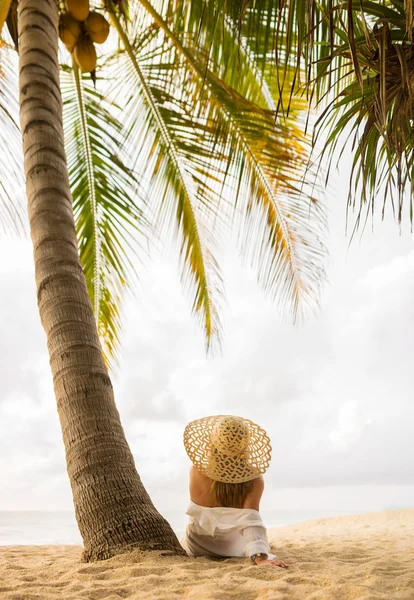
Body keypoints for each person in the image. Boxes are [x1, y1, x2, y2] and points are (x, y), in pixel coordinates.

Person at [181, 414, 288, 568]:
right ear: (245, 446)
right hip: (233, 548)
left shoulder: (196, 471)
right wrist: (260, 557)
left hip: (197, 545)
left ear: (213, 441)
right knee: (255, 537)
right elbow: (250, 521)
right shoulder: (255, 480)